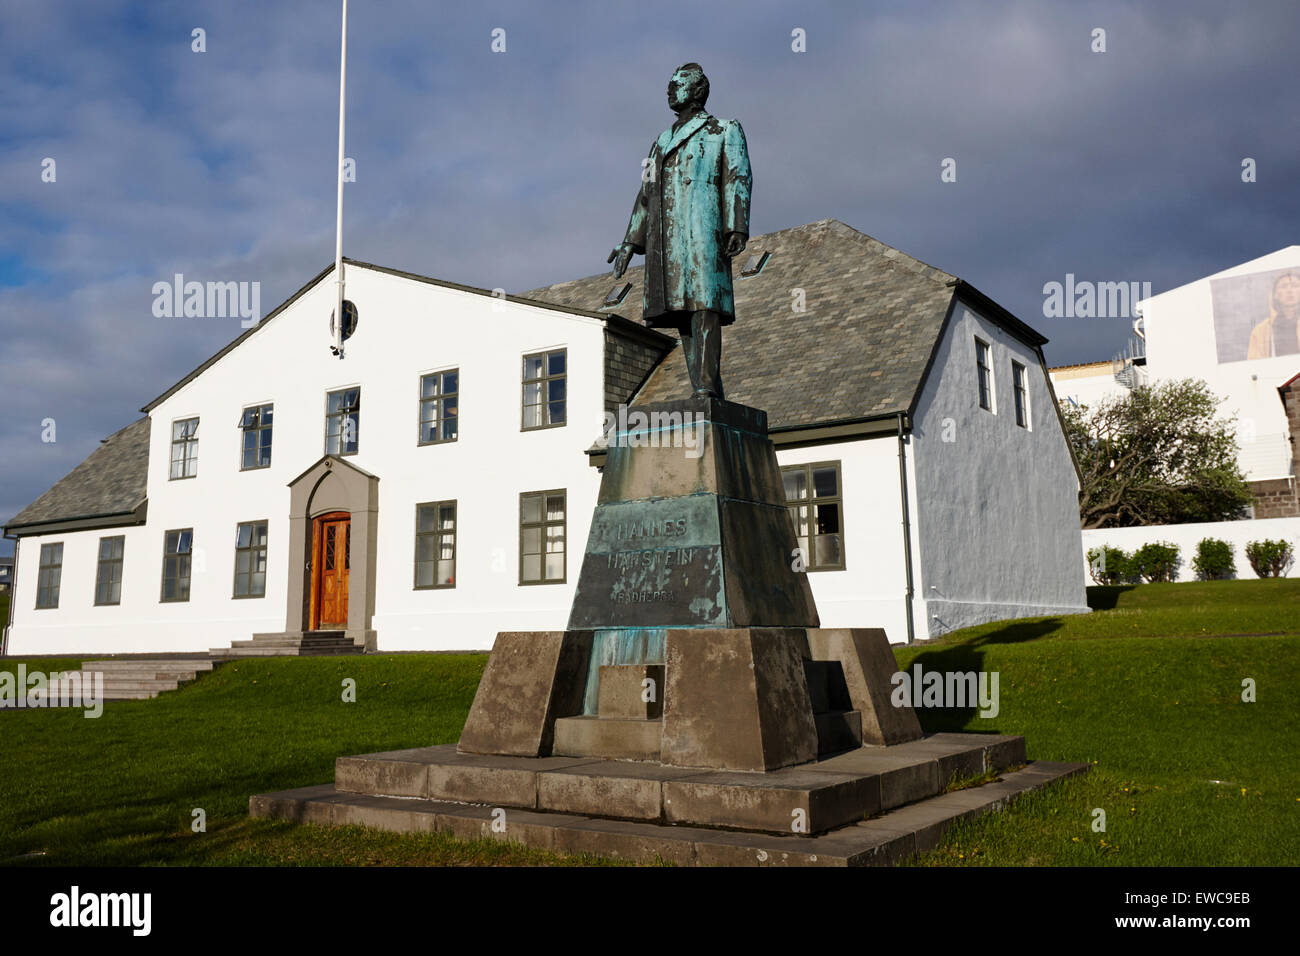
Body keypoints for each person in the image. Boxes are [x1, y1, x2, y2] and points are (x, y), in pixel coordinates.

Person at [608, 63, 751, 398]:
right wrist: (630, 240)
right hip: (667, 240)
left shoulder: (723, 130)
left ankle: (704, 387)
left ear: (698, 91)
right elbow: (645, 194)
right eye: (669, 85)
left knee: (705, 305)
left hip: (704, 229)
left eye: (677, 85)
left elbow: (738, 178)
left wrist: (736, 225)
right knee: (682, 312)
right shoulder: (659, 142)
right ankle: (707, 387)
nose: (669, 90)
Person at [1246, 271, 1300, 359]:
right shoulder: (1260, 331)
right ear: (1275, 295)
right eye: (1284, 286)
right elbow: (1255, 365)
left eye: (1295, 285)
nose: (1290, 290)